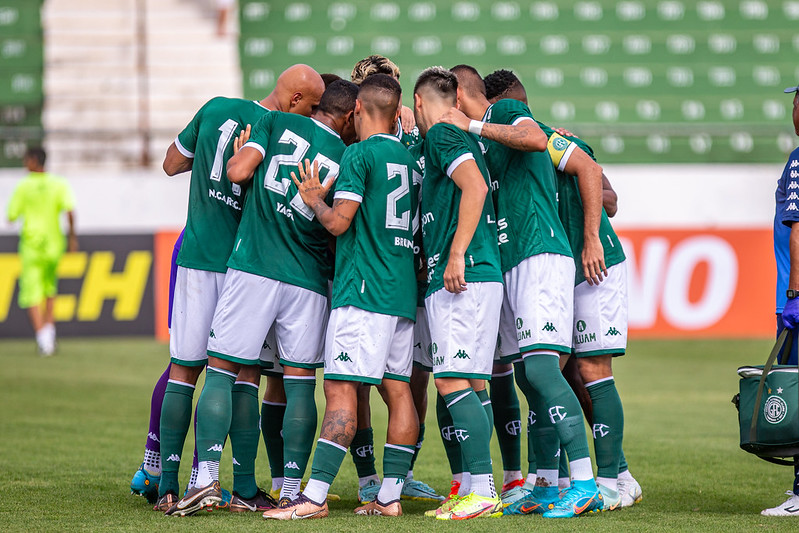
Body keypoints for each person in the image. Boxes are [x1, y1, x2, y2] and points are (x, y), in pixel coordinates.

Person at [165, 79, 357, 517]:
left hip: (254, 267)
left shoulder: (273, 122)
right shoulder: (347, 156)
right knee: (300, 382)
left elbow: (236, 173)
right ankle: (291, 489)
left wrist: (244, 152)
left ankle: (207, 478)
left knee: (221, 369)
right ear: (348, 116)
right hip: (307, 279)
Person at [442, 64, 605, 518]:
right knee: (529, 378)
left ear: (459, 97)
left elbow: (540, 142)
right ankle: (545, 483)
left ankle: (586, 482)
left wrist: (591, 237)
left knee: (543, 371)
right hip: (511, 263)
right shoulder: (483, 140)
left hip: (539, 254)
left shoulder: (506, 110)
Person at [263, 73, 421, 520]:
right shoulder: (409, 160)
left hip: (363, 291)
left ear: (357, 111)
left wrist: (314, 198)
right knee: (397, 390)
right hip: (399, 292)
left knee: (339, 388)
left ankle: (311, 498)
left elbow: (338, 223)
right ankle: (389, 496)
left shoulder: (359, 154)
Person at [348, 54, 443, 505]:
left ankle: (398, 476)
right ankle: (372, 477)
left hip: (410, 269)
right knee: (363, 384)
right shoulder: (367, 131)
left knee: (409, 380)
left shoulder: (414, 130)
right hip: (375, 268)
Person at [414, 67, 504, 520]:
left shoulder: (441, 136)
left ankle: (484, 490)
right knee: (470, 380)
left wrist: (455, 254)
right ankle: (474, 486)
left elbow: (476, 186)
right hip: (481, 274)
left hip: (463, 275)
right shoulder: (458, 134)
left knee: (450, 379)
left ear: (417, 103)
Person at [764, 81, 799, 517]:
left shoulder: (798, 162)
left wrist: (794, 294)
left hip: (796, 298)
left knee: (795, 395)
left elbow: (797, 228)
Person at [6, 146, 77, 356]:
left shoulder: (24, 186)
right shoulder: (58, 183)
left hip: (32, 245)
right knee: (49, 289)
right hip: (54, 244)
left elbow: (11, 216)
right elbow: (70, 212)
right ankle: (50, 333)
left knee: (31, 293)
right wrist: (72, 238)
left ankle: (43, 339)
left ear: (33, 161)